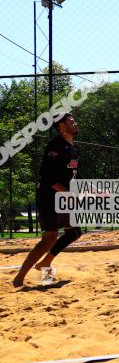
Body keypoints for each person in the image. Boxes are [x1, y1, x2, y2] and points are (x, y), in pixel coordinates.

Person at [12, 113, 83, 288]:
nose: (74, 123)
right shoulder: (55, 146)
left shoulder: (73, 148)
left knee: (74, 232)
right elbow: (48, 179)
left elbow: (77, 176)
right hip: (49, 197)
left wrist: (96, 191)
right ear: (61, 126)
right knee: (50, 237)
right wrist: (70, 194)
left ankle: (45, 262)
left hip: (63, 197)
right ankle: (19, 277)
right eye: (70, 121)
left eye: (73, 120)